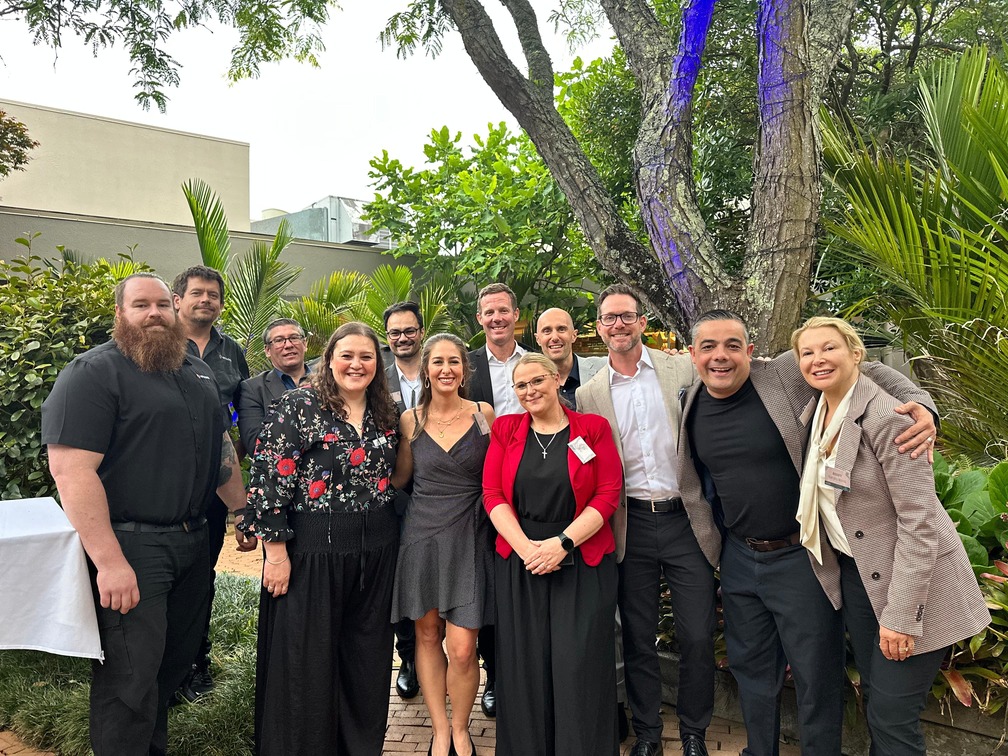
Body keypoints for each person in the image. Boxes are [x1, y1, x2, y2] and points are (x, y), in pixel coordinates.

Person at [678, 310, 939, 756]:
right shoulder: (689, 400)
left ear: (750, 352)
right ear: (693, 354)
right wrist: (720, 555)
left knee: (817, 674)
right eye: (708, 347)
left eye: (732, 346)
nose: (720, 356)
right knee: (751, 670)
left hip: (802, 554)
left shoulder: (782, 375)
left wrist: (923, 406)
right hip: (739, 559)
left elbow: (865, 367)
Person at [41, 273, 248, 756]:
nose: (153, 314)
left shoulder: (194, 372)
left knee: (169, 669)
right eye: (140, 305)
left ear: (175, 311)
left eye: (161, 304)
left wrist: (242, 509)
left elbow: (219, 448)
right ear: (121, 314)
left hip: (193, 545)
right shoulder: (92, 373)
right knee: (128, 682)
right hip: (131, 548)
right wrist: (111, 563)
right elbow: (71, 472)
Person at [791, 316, 990, 755]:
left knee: (892, 716)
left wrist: (901, 617)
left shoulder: (890, 419)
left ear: (856, 354)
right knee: (879, 705)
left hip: (913, 588)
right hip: (860, 578)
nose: (818, 359)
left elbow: (919, 526)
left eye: (830, 348)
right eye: (807, 352)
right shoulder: (819, 412)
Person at [240, 322, 401, 755]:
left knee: (365, 661)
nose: (357, 364)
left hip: (376, 552)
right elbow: (268, 478)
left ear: (377, 363)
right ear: (329, 359)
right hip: (311, 551)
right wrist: (276, 554)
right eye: (347, 355)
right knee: (307, 665)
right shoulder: (299, 406)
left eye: (366, 356)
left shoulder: (386, 409)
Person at [576, 284, 713, 756]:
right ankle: (649, 735)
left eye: (626, 316)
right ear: (598, 328)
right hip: (629, 524)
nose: (618, 324)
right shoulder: (588, 393)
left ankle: (694, 732)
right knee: (638, 637)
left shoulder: (682, 369)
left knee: (696, 635)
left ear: (642, 322)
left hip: (685, 520)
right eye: (609, 318)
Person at [484, 352, 622, 756]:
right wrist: (526, 548)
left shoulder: (592, 429)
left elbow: (608, 493)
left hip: (581, 558)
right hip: (521, 559)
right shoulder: (506, 430)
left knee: (577, 664)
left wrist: (562, 543)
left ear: (558, 379)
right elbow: (492, 494)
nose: (530, 391)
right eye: (521, 385)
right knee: (525, 666)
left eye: (537, 381)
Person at [390, 333, 496, 756]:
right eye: (438, 362)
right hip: (422, 535)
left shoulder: (483, 414)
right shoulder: (410, 420)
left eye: (454, 362)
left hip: (470, 533)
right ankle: (439, 730)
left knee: (464, 646)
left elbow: (501, 471)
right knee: (427, 635)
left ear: (464, 370)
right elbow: (399, 479)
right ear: (427, 370)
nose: (446, 369)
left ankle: (461, 727)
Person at [171, 264, 250, 700]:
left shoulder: (230, 351)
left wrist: (234, 463)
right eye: (197, 293)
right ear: (178, 298)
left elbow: (239, 412)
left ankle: (195, 664)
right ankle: (160, 665)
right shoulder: (158, 343)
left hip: (215, 486)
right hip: (164, 481)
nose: (206, 300)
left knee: (202, 574)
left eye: (213, 295)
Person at [466, 281, 529, 716]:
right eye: (489, 313)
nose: (496, 318)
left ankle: (527, 670)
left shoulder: (537, 362)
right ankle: (494, 675)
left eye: (503, 311)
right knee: (488, 583)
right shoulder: (466, 367)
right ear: (479, 319)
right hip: (482, 487)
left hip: (537, 482)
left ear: (515, 315)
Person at [383, 300, 425, 699]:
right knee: (400, 578)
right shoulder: (375, 374)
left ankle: (487, 666)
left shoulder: (444, 364)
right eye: (395, 332)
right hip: (393, 492)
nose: (402, 337)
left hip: (444, 491)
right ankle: (409, 658)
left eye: (409, 330)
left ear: (421, 331)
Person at [238, 318, 311, 452]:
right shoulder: (253, 389)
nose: (288, 345)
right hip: (279, 470)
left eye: (294, 338)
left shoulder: (328, 382)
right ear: (267, 350)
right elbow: (255, 443)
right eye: (278, 340)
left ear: (305, 344)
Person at [534, 307, 605, 409]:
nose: (554, 337)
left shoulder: (603, 368)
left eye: (561, 329)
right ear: (538, 339)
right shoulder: (529, 381)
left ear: (574, 335)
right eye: (547, 331)